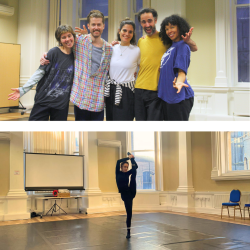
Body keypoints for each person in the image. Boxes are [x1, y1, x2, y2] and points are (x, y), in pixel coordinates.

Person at [41, 10, 113, 121]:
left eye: (99, 24)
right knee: (81, 134)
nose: (96, 27)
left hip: (97, 99)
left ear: (103, 25)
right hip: (81, 98)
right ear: (89, 26)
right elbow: (63, 48)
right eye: (93, 24)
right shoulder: (79, 41)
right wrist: (47, 54)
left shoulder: (109, 49)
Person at [134, 8, 198, 121]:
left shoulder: (169, 40)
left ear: (155, 20)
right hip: (154, 92)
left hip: (163, 93)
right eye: (144, 22)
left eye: (150, 20)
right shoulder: (143, 40)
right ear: (140, 23)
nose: (147, 24)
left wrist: (188, 41)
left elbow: (191, 50)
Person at [8, 25, 75, 121]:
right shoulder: (53, 52)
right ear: (59, 40)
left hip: (61, 104)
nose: (67, 39)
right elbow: (39, 73)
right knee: (34, 132)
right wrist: (23, 90)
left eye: (69, 35)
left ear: (73, 36)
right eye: (63, 37)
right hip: (44, 100)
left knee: (58, 134)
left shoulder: (76, 54)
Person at [158, 15, 194, 121]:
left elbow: (182, 72)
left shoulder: (182, 46)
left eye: (172, 27)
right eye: (166, 29)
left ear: (180, 27)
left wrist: (179, 83)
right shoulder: (173, 46)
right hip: (168, 96)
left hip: (178, 98)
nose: (169, 31)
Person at [105, 18, 140, 121]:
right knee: (111, 121)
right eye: (124, 30)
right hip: (111, 89)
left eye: (130, 31)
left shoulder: (137, 50)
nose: (127, 34)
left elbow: (142, 68)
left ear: (133, 34)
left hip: (126, 91)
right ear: (119, 31)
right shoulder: (111, 48)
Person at [116, 154, 138, 239]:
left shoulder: (128, 173)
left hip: (130, 192)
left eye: (127, 167)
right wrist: (128, 158)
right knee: (129, 212)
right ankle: (128, 231)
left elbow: (136, 167)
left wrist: (132, 159)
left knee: (129, 213)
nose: (125, 168)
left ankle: (128, 232)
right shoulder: (118, 173)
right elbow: (118, 161)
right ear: (121, 167)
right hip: (124, 194)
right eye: (124, 167)